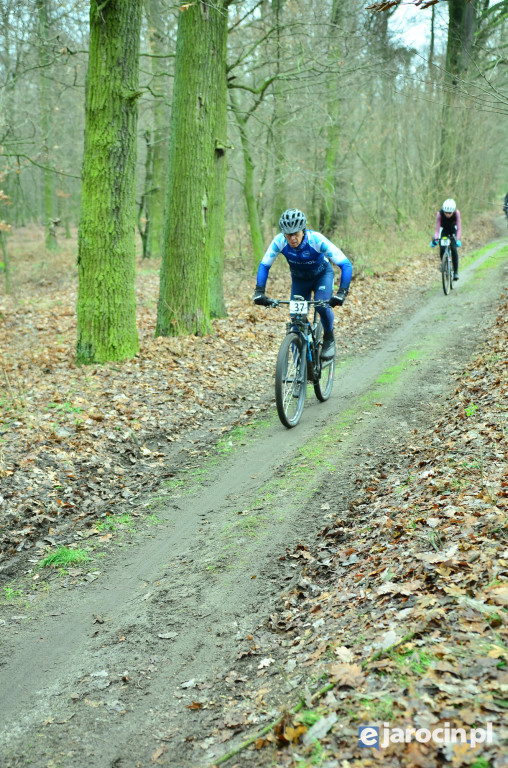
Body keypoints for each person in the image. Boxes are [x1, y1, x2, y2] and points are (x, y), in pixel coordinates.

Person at [253, 208, 353, 360]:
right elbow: (265, 265)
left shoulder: (316, 240)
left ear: (303, 231)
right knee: (296, 320)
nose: (292, 238)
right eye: (288, 234)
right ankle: (299, 368)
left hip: (322, 276)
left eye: (296, 233)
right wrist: (259, 291)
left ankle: (329, 337)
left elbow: (346, 265)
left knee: (321, 306)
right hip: (300, 281)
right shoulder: (279, 241)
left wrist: (341, 293)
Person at [431, 198, 461, 280]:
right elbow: (437, 229)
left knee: (454, 249)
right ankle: (443, 263)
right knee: (442, 247)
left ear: (453, 211)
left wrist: (457, 239)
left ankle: (455, 272)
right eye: (446, 212)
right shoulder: (439, 214)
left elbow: (459, 228)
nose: (448, 214)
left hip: (452, 231)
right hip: (444, 231)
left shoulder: (456, 213)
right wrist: (436, 239)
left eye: (450, 213)